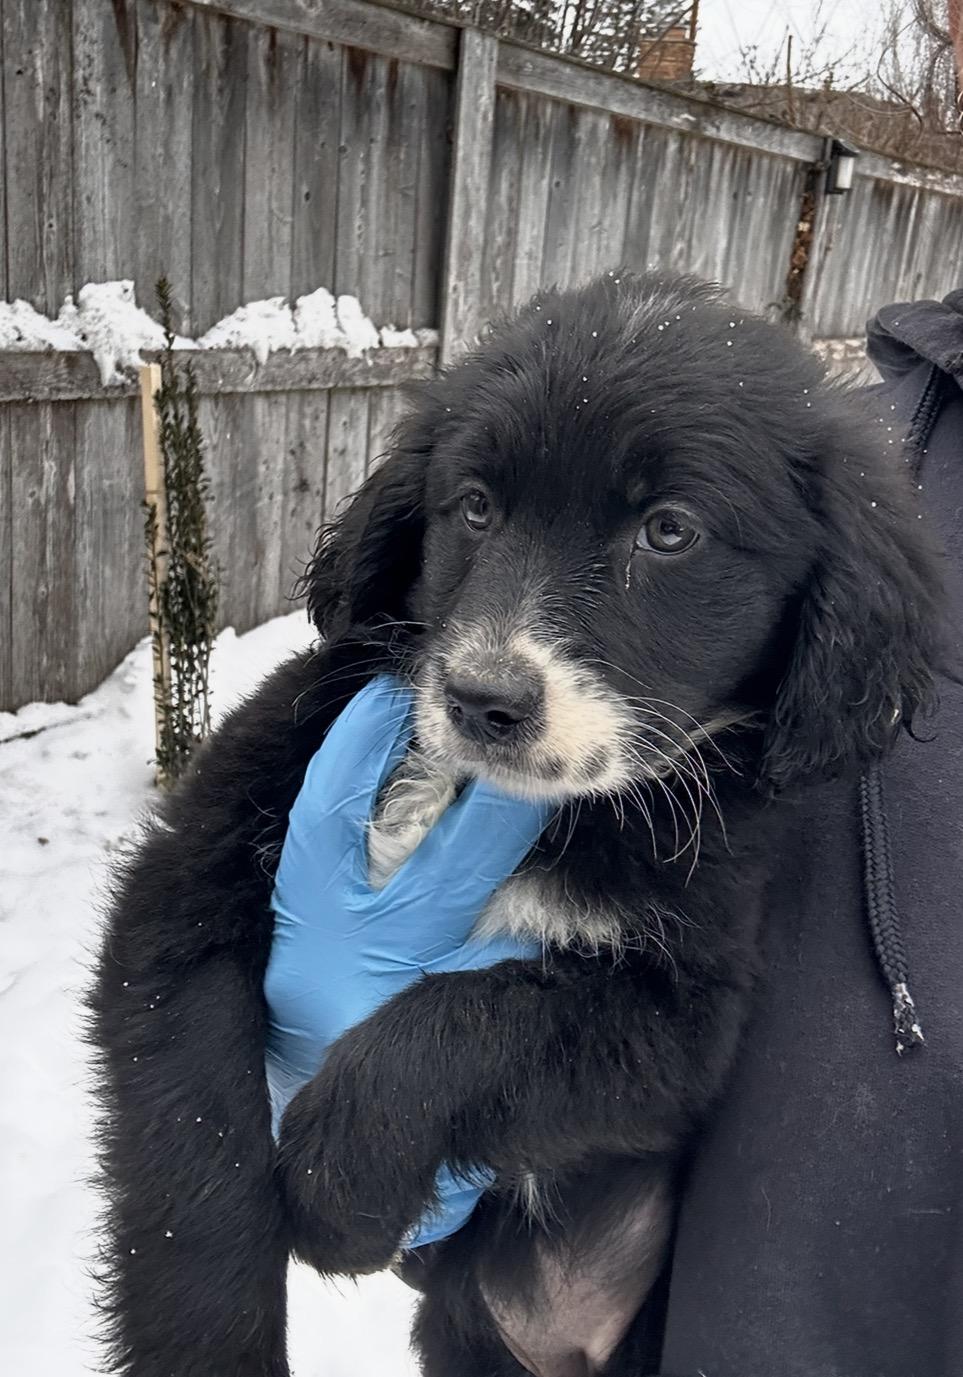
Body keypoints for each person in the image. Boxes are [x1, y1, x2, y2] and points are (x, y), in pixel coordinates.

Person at [265, 290, 963, 1377]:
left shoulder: (822, 526)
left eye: (667, 532)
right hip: (504, 1304)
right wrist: (382, 1121)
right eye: (483, 511)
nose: (505, 648)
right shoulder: (836, 429)